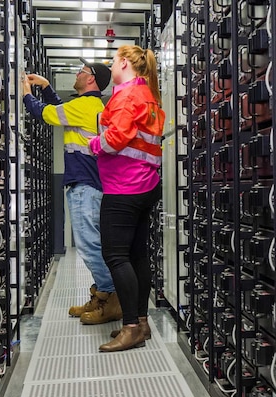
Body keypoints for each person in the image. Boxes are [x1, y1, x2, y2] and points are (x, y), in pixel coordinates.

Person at [22, 59, 122, 325]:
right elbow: (61, 109)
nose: (77, 73)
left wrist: (25, 94)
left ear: (91, 80)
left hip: (85, 185)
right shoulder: (89, 105)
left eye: (82, 71)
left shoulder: (85, 106)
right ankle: (102, 295)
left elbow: (46, 114)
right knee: (92, 243)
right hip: (88, 183)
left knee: (89, 246)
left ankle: (110, 297)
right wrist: (45, 86)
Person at [89, 45, 165, 352]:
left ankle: (131, 327)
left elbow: (115, 138)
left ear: (123, 62)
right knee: (137, 255)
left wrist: (94, 143)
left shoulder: (127, 96)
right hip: (145, 184)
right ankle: (142, 322)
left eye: (113, 60)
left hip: (125, 186)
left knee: (116, 256)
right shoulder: (147, 96)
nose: (111, 65)